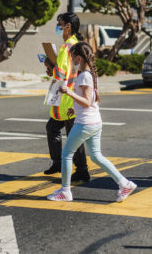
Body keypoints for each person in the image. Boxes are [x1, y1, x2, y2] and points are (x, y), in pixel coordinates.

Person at [47, 42, 137, 202]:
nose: (72, 59)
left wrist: (68, 92)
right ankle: (125, 184)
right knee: (96, 156)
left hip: (85, 124)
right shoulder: (90, 75)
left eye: (73, 57)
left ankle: (65, 191)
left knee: (67, 154)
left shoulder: (84, 76)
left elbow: (87, 101)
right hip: (94, 122)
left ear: (79, 58)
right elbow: (94, 101)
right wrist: (74, 109)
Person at [42, 12, 90, 182]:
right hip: (71, 94)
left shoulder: (66, 47)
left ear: (68, 26)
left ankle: (82, 170)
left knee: (71, 134)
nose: (58, 27)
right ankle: (58, 163)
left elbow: (61, 73)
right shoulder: (77, 44)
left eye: (60, 24)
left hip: (66, 97)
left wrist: (50, 65)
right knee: (54, 128)